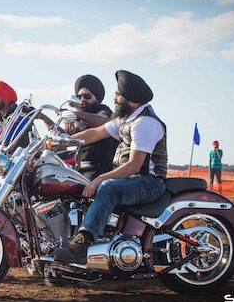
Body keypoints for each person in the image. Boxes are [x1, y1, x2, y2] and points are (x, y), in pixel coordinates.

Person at [54, 70, 167, 263]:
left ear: (129, 98)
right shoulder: (126, 120)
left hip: (148, 182)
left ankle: (83, 244)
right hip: (132, 180)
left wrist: (99, 179)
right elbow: (94, 133)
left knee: (108, 187)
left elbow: (133, 165)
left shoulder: (144, 123)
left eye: (118, 94)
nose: (114, 98)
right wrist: (60, 141)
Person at [65, 74, 119, 179]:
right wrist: (42, 117)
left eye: (87, 96)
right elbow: (64, 136)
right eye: (79, 97)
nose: (82, 100)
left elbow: (106, 123)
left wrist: (77, 114)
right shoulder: (81, 119)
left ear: (97, 97)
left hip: (98, 172)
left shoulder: (103, 111)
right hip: (80, 171)